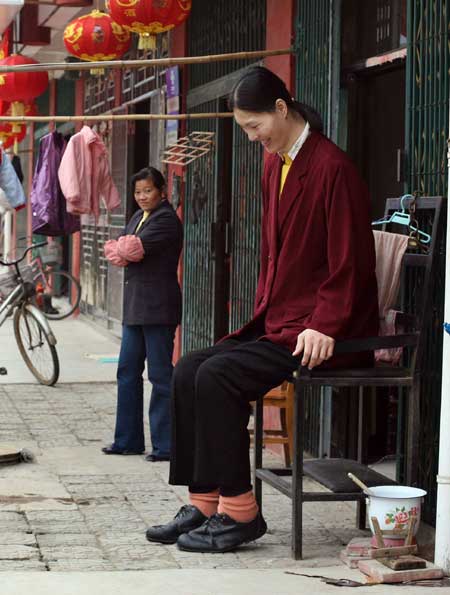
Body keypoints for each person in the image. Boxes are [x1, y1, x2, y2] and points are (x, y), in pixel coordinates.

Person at [145, 66, 379, 553]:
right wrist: (266, 313)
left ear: (280, 108)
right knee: (188, 368)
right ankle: (204, 502)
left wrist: (325, 323)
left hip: (323, 332)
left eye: (255, 127)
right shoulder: (278, 162)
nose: (254, 139)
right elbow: (276, 254)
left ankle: (241, 512)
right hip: (282, 321)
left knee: (218, 377)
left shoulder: (333, 168)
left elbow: (350, 261)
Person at [102, 166, 183, 462]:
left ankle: (165, 445)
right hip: (135, 308)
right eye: (138, 192)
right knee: (126, 372)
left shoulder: (166, 220)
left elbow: (131, 249)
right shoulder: (138, 217)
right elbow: (114, 250)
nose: (142, 196)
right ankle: (127, 440)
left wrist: (121, 247)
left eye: (148, 190)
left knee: (160, 375)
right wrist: (120, 247)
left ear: (161, 191)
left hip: (159, 308)